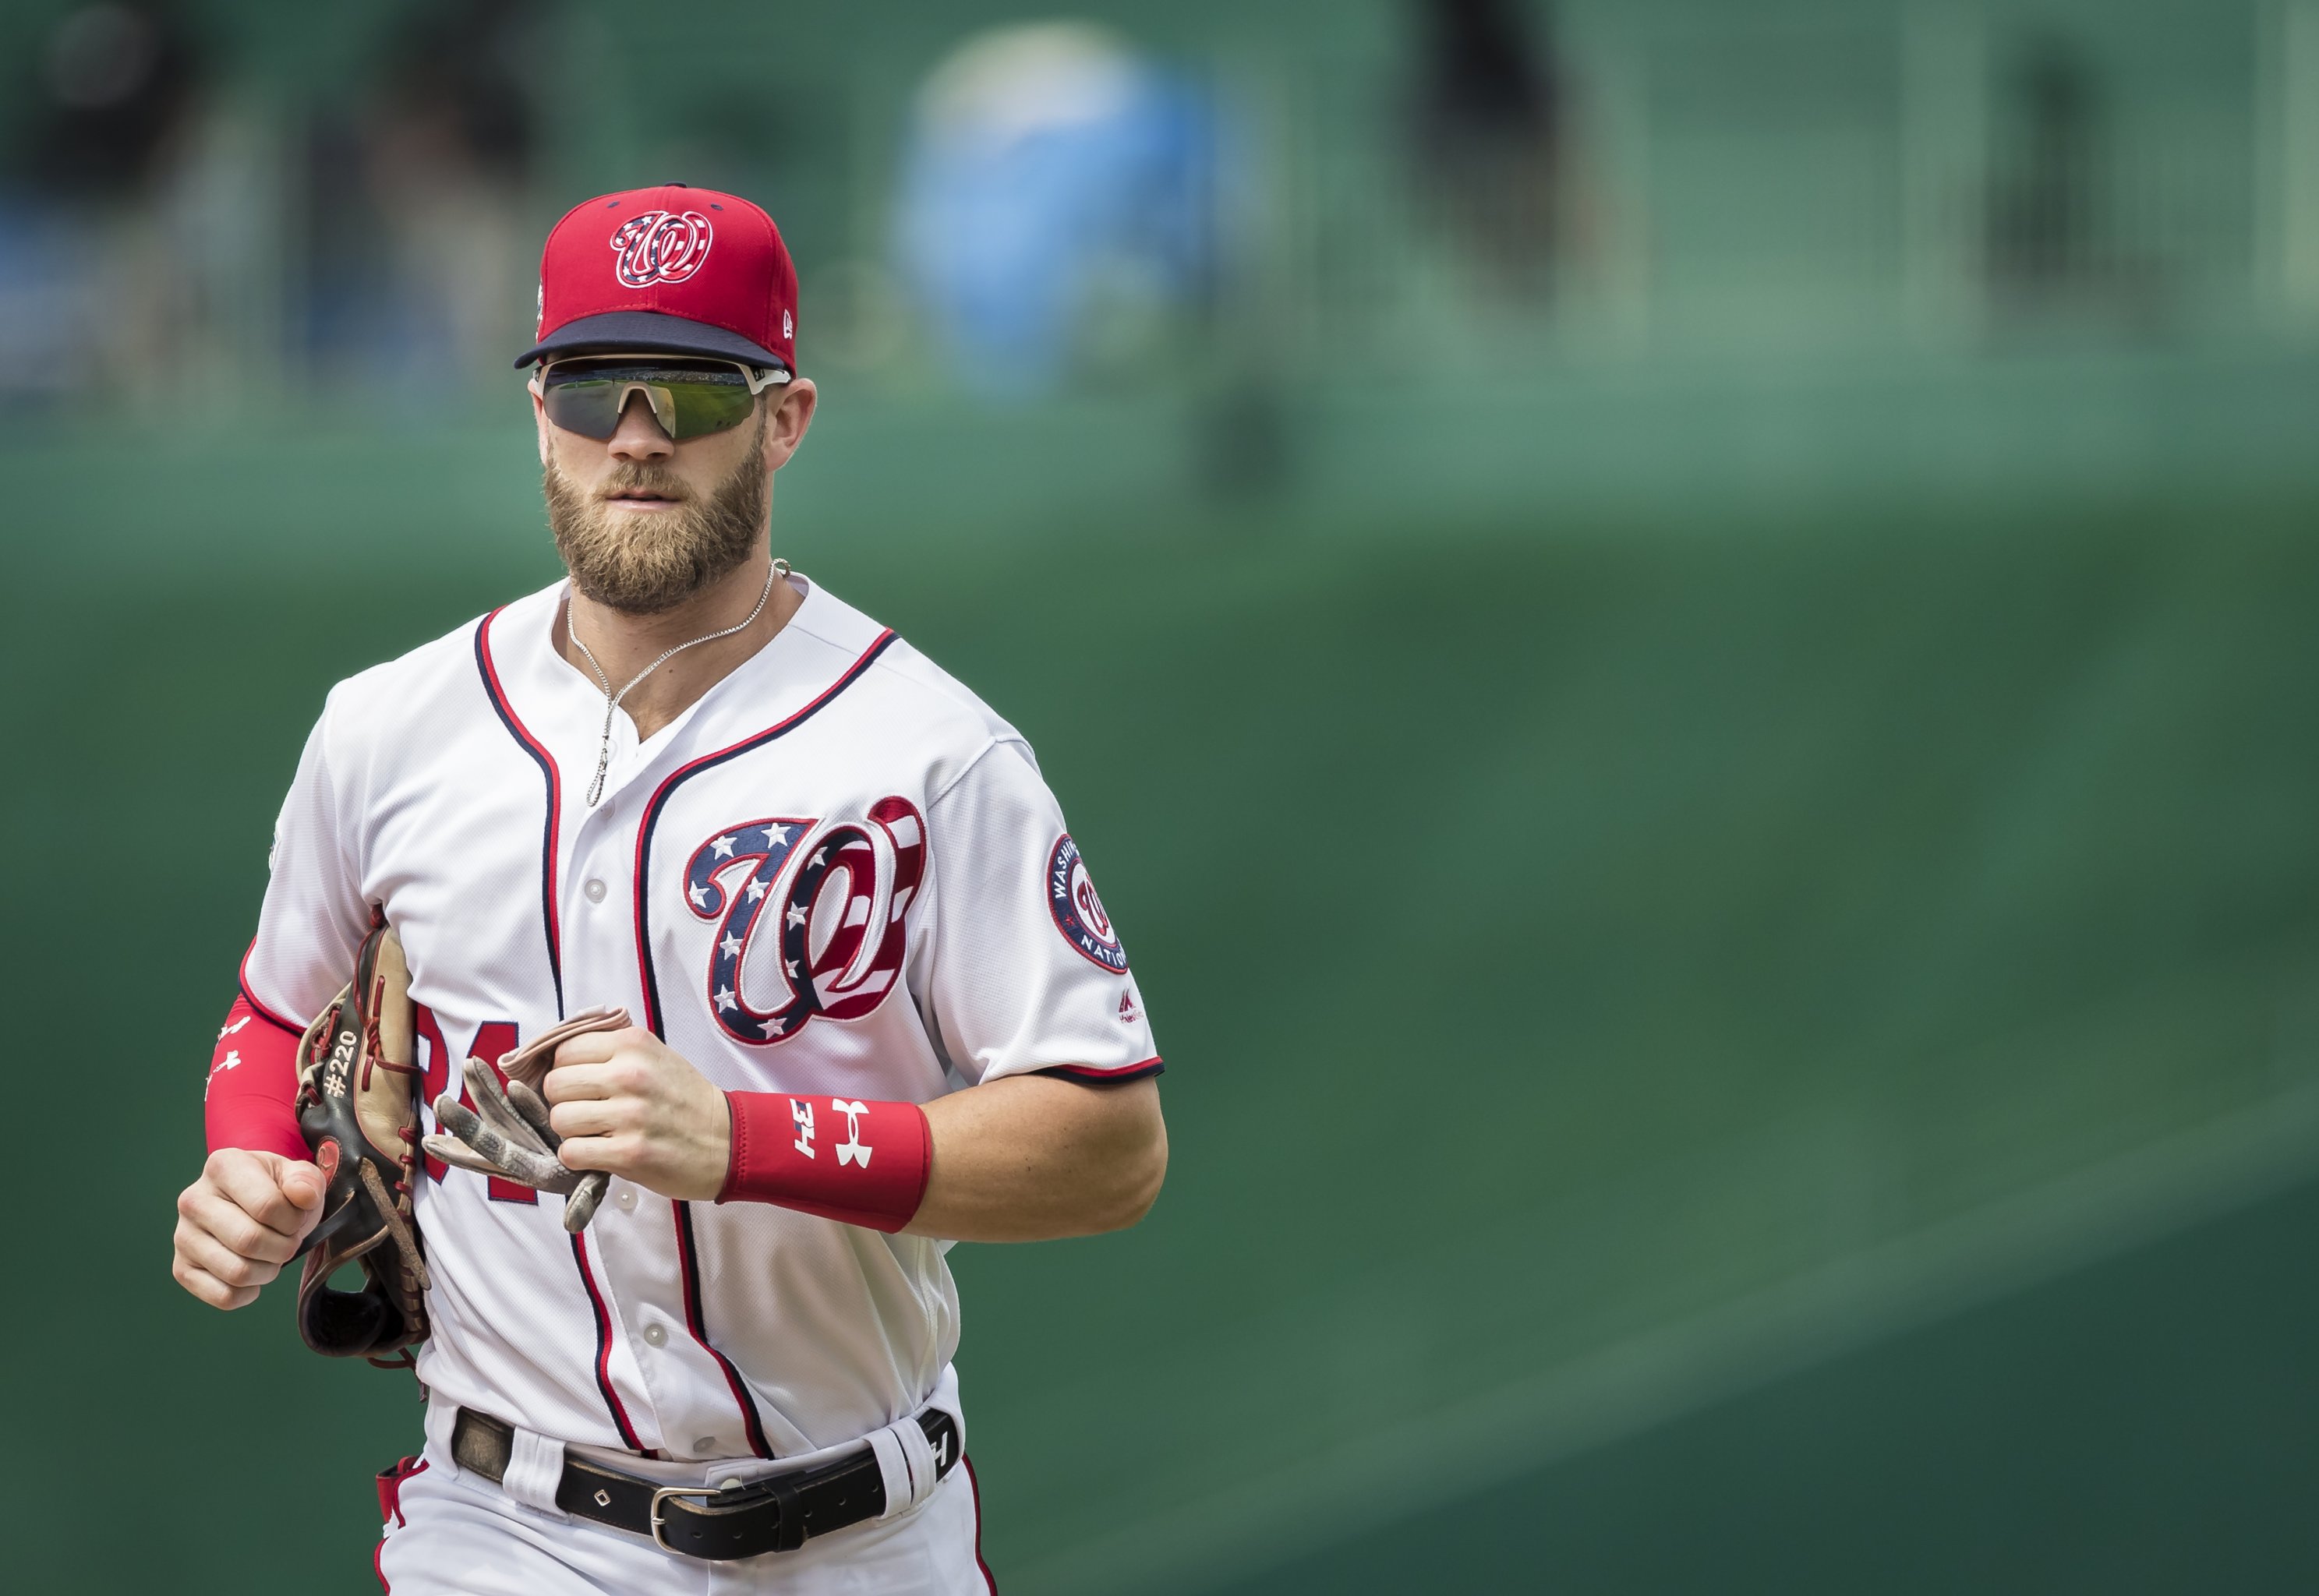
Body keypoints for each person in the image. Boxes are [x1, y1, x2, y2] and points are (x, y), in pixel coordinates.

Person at [169, 183, 1168, 1594]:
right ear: (540, 417)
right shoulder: (387, 729)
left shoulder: (935, 757)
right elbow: (278, 1011)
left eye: (691, 393)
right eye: (589, 390)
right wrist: (251, 1156)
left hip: (866, 1538)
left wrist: (744, 1141)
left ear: (786, 418)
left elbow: (1112, 1148)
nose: (635, 436)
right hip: (503, 1528)